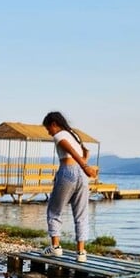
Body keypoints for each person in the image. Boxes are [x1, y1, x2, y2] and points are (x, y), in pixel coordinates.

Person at [41, 111, 97, 262]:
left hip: (68, 172)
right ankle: (81, 253)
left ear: (54, 124)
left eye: (48, 128)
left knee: (54, 211)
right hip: (82, 176)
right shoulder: (74, 135)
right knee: (81, 214)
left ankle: (56, 248)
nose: (48, 132)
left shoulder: (59, 135)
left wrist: (85, 166)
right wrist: (85, 164)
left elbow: (70, 151)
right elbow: (82, 153)